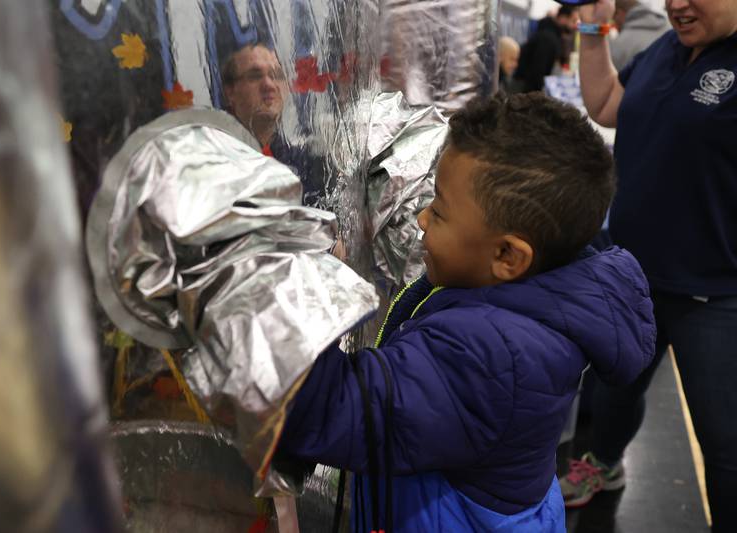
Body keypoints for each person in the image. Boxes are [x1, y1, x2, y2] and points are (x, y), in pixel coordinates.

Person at [275, 93, 655, 532]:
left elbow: (330, 410)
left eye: (438, 210)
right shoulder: (538, 295)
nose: (420, 219)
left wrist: (309, 288)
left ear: (508, 256)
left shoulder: (489, 354)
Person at [559, 0, 737, 530]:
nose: (677, 3)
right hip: (634, 274)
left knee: (724, 441)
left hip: (716, 292)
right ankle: (604, 466)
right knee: (615, 392)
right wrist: (592, 30)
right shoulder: (668, 47)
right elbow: (609, 104)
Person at [221, 42, 327, 207]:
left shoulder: (308, 164)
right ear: (230, 92)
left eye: (276, 75)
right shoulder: (217, 164)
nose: (269, 85)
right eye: (255, 76)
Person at [512, 6, 579, 92]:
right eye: (573, 21)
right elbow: (537, 73)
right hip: (524, 91)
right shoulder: (548, 39)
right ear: (563, 18)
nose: (575, 26)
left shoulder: (552, 35)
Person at [609, 0, 671, 70]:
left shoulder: (620, 43)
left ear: (619, 13)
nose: (614, 23)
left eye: (613, 18)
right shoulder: (671, 28)